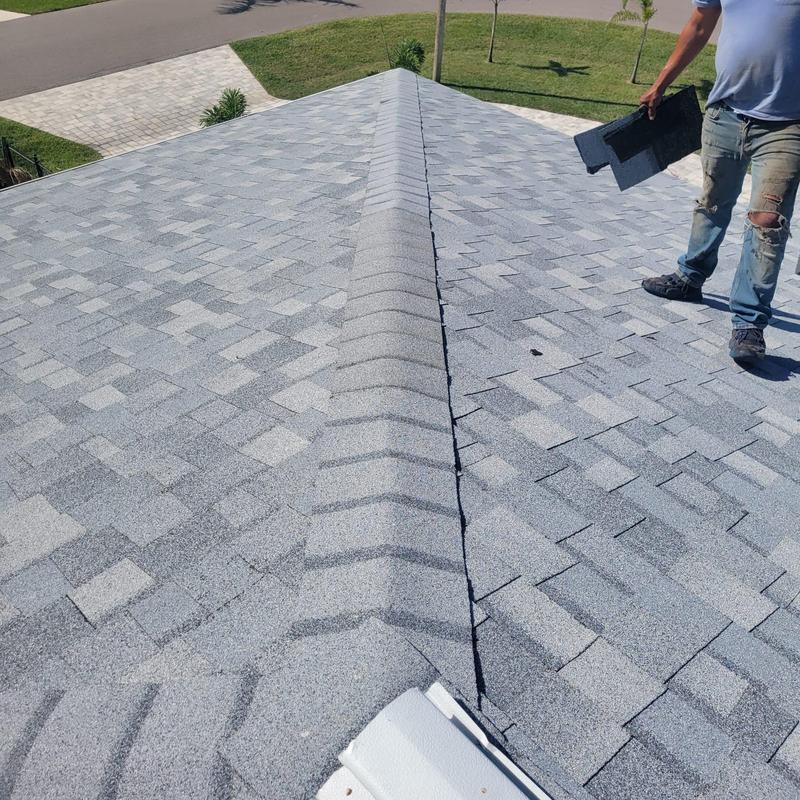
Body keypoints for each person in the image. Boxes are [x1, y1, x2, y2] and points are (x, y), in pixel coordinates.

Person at [639, 0, 800, 365]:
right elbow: (699, 23)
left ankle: (749, 322)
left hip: (788, 125)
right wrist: (661, 82)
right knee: (712, 201)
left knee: (767, 222)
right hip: (725, 114)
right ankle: (690, 276)